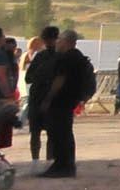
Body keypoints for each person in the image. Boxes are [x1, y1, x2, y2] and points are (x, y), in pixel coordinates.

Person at [39, 28, 97, 178]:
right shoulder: (78, 56)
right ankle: (66, 165)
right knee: (65, 133)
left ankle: (61, 165)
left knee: (58, 133)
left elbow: (60, 79)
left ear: (65, 41)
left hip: (60, 100)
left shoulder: (66, 58)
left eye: (59, 40)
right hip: (70, 99)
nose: (57, 42)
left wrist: (48, 98)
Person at [22, 27, 59, 161]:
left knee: (36, 133)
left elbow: (29, 77)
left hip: (38, 97)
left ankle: (36, 160)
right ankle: (48, 161)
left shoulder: (41, 57)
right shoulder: (59, 56)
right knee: (51, 133)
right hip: (50, 98)